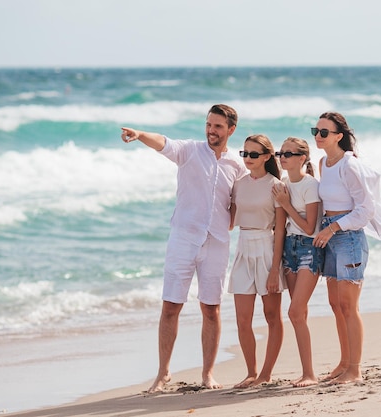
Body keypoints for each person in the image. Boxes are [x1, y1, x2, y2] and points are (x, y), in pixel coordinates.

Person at [121, 104, 248, 393]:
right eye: (208, 124)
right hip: (183, 239)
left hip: (216, 243)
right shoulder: (189, 151)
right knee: (170, 307)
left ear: (230, 130)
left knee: (211, 309)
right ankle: (163, 373)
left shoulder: (237, 166)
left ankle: (208, 374)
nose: (211, 130)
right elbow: (162, 142)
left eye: (217, 126)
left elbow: (243, 200)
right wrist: (140, 134)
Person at [311, 111, 381, 384]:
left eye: (324, 132)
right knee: (334, 304)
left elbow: (365, 210)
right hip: (329, 236)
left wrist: (332, 228)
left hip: (348, 237)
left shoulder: (349, 166)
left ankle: (355, 368)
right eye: (315, 131)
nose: (318, 136)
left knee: (348, 305)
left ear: (339, 136)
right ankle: (343, 363)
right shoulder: (323, 163)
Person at [228, 134, 286, 388]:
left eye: (253, 154)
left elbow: (281, 230)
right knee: (242, 319)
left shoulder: (276, 185)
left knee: (272, 316)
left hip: (266, 248)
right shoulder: (238, 184)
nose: (248, 159)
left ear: (266, 156)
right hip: (242, 248)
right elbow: (229, 220)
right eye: (244, 154)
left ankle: (266, 373)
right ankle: (251, 372)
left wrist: (275, 269)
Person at [272, 137, 323, 387]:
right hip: (289, 250)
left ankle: (310, 374)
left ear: (302, 158)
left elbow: (309, 227)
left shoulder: (310, 185)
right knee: (298, 313)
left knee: (294, 311)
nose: (283, 157)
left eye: (289, 154)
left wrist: (285, 204)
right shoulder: (282, 183)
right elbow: (280, 228)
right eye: (281, 153)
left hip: (309, 249)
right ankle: (308, 372)